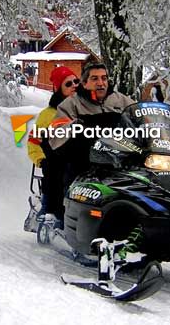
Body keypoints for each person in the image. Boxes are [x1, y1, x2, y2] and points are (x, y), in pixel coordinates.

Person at [45, 62, 135, 226]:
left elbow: (142, 116)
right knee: (69, 169)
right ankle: (68, 217)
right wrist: (74, 127)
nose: (101, 83)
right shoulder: (72, 103)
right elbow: (57, 130)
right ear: (85, 83)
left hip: (120, 155)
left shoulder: (121, 100)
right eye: (95, 79)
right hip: (85, 157)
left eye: (104, 78)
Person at [27, 66, 79, 223]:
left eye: (76, 81)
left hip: (82, 156)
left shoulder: (86, 108)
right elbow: (34, 141)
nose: (74, 86)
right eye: (68, 84)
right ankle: (50, 209)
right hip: (56, 159)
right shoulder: (48, 114)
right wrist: (40, 159)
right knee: (57, 170)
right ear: (59, 89)